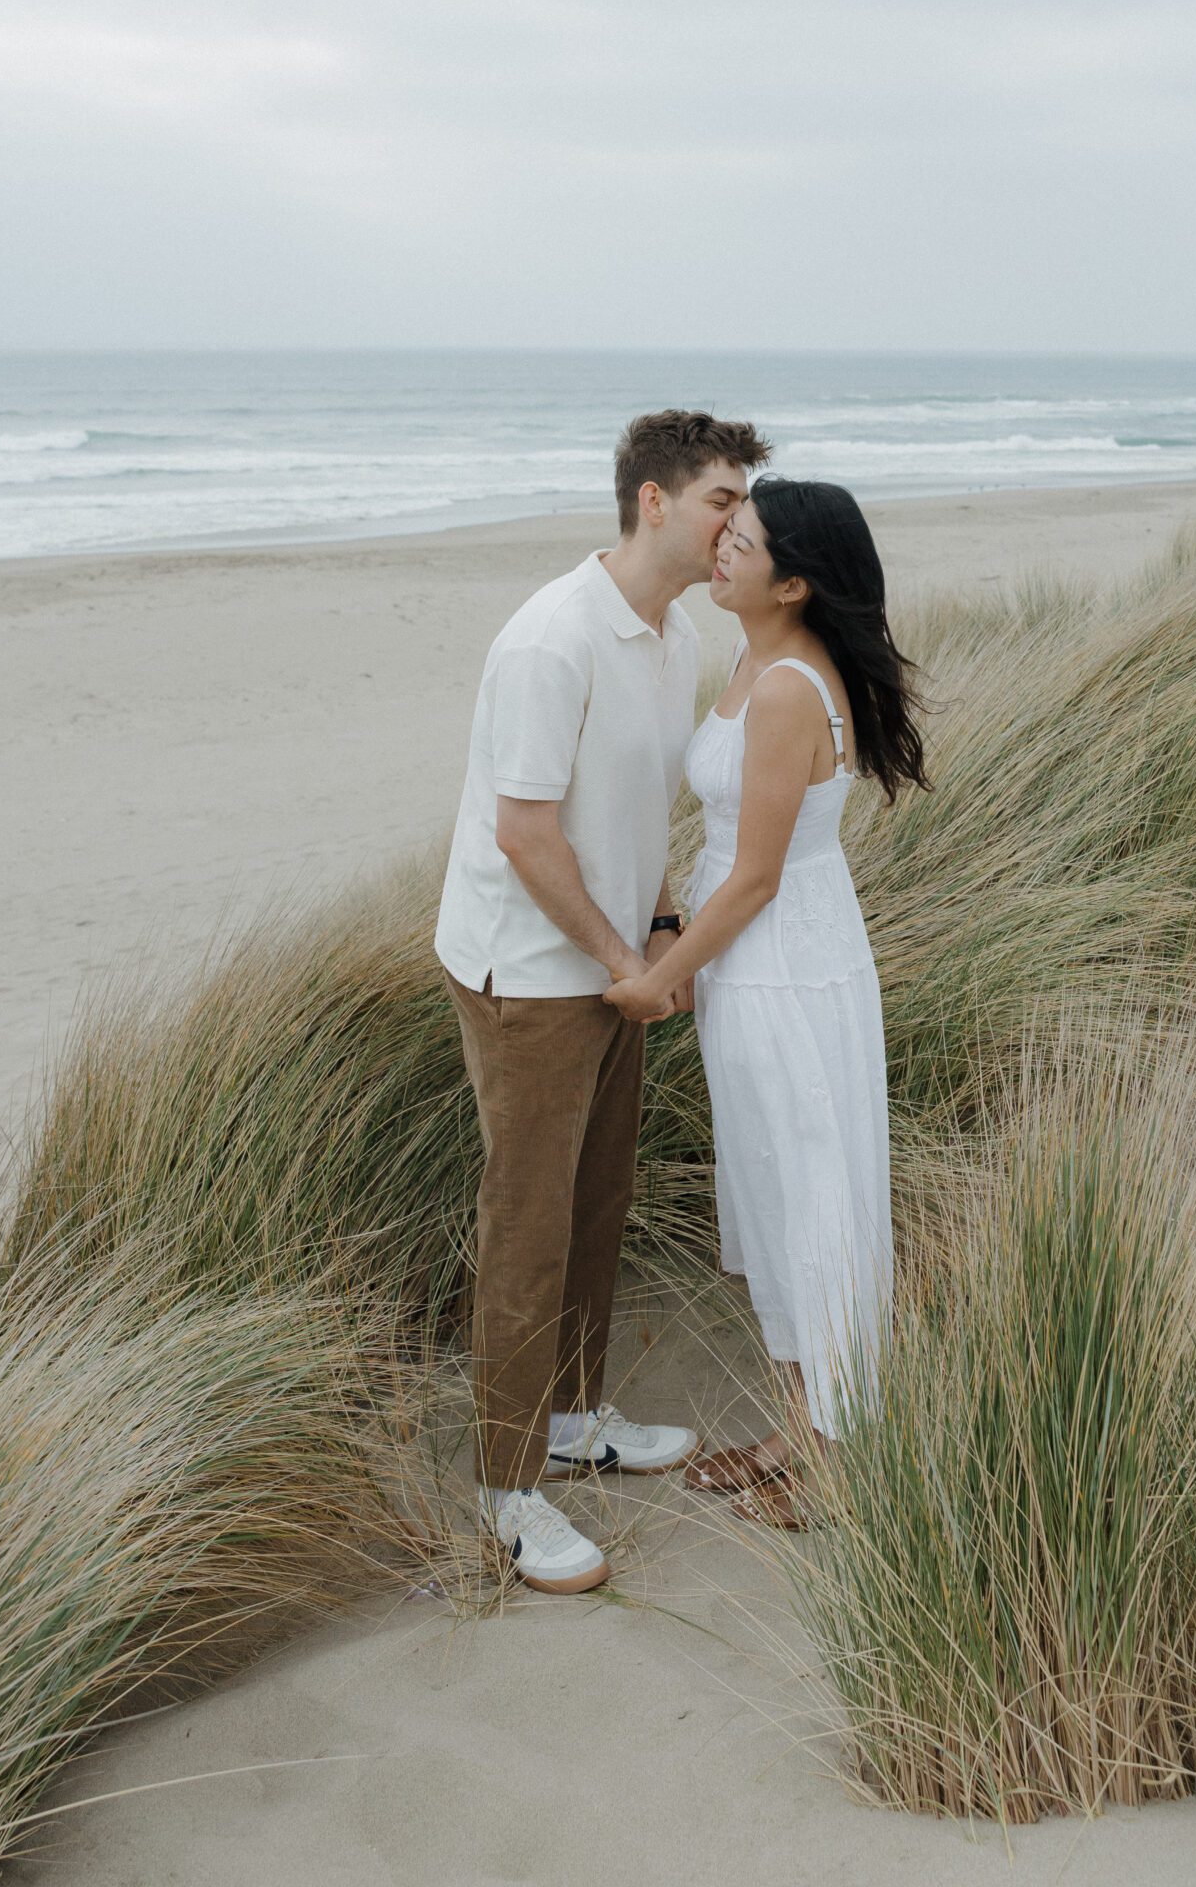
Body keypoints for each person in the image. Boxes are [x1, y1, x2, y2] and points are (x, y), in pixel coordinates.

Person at [436, 408, 771, 1594]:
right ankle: (507, 1484)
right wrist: (617, 961)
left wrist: (663, 924)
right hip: (529, 973)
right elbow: (525, 834)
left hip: (618, 961)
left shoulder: (674, 637)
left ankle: (574, 1415)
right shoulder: (552, 641)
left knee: (598, 1198)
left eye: (743, 500)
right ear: (654, 503)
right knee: (527, 1225)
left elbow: (629, 813)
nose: (741, 520)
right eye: (724, 498)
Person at [607, 477, 927, 1527]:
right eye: (725, 532)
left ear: (792, 582)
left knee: (813, 1204)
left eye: (741, 543)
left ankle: (839, 1459)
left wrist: (660, 972)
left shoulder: (789, 686)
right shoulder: (753, 657)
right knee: (772, 1197)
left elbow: (753, 876)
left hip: (786, 967)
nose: (719, 552)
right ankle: (801, 1425)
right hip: (757, 964)